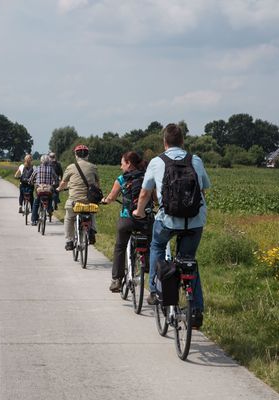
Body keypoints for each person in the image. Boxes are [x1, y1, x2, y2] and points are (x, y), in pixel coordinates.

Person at [133, 123, 211, 329]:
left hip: (168, 220)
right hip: (195, 221)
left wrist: (139, 212)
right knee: (189, 261)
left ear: (164, 142)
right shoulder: (195, 160)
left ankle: (155, 289)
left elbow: (144, 193)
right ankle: (195, 311)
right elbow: (204, 190)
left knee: (157, 246)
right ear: (183, 141)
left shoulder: (157, 162)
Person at [101, 152, 149, 292]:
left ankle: (116, 280)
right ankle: (150, 270)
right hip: (144, 219)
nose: (120, 166)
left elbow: (111, 197)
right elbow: (155, 198)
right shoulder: (146, 177)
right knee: (151, 242)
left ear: (128, 163)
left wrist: (104, 201)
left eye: (122, 163)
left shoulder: (121, 179)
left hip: (127, 219)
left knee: (120, 247)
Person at [56, 144, 100, 250]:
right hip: (89, 201)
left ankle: (69, 241)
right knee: (92, 211)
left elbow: (63, 183)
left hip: (74, 201)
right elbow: (98, 184)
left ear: (76, 155)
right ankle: (92, 231)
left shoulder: (71, 167)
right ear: (87, 155)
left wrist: (58, 189)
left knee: (69, 218)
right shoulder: (93, 167)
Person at [29, 154, 58, 226]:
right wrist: (55, 184)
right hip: (48, 190)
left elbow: (31, 178)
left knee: (36, 203)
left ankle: (34, 220)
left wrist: (31, 182)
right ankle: (49, 209)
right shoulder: (51, 169)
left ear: (41, 161)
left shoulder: (37, 168)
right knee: (50, 198)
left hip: (40, 190)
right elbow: (56, 178)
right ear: (48, 161)